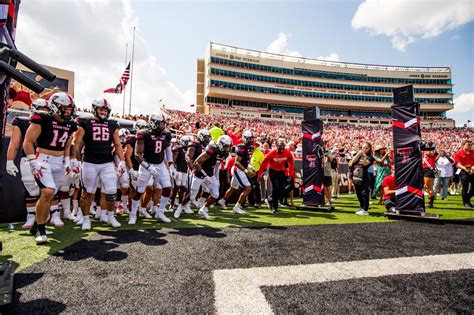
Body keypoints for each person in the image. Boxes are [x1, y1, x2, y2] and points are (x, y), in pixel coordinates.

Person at [23, 93, 78, 243]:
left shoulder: (71, 124)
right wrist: (32, 161)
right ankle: (41, 230)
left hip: (59, 161)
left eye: (69, 109)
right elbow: (28, 142)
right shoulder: (42, 118)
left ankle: (36, 224)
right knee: (47, 192)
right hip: (43, 160)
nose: (68, 112)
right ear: (54, 106)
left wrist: (68, 161)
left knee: (50, 195)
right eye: (64, 108)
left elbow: (68, 145)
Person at [72, 98, 126, 230]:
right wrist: (75, 159)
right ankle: (85, 219)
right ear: (94, 109)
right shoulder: (85, 122)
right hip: (90, 162)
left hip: (107, 163)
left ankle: (110, 216)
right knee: (88, 192)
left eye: (105, 110)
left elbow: (118, 144)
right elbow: (76, 142)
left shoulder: (112, 124)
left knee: (112, 190)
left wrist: (122, 161)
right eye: (101, 109)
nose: (103, 112)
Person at [6, 99, 49, 229]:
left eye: (45, 110)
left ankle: (45, 217)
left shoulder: (51, 122)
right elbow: (14, 143)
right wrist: (9, 161)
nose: (42, 112)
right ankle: (31, 216)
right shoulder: (23, 122)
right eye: (40, 109)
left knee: (47, 189)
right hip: (28, 159)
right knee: (30, 189)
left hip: (46, 158)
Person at [130, 113, 175, 223]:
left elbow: (168, 149)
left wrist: (171, 164)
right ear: (153, 123)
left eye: (163, 124)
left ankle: (160, 212)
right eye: (160, 124)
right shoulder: (143, 134)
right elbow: (137, 154)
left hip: (160, 164)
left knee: (168, 187)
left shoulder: (166, 134)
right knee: (140, 190)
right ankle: (133, 213)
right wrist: (148, 167)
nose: (163, 126)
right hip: (146, 164)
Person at [194, 135, 233, 219]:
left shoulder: (224, 154)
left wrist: (216, 177)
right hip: (199, 172)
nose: (228, 149)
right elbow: (196, 162)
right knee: (191, 194)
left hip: (210, 174)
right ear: (221, 145)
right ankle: (181, 208)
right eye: (226, 147)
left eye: (229, 147)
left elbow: (216, 166)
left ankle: (203, 209)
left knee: (215, 194)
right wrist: (204, 175)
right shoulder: (212, 149)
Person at [220, 130, 255, 215]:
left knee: (233, 188)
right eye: (250, 138)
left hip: (241, 169)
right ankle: (237, 207)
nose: (252, 140)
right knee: (248, 188)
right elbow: (236, 162)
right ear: (245, 139)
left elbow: (247, 161)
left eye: (252, 138)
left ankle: (222, 200)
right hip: (237, 169)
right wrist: (246, 171)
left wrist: (251, 167)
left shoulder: (251, 148)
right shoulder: (241, 147)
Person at [257, 138, 295, 214]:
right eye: (280, 146)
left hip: (281, 170)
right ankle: (274, 207)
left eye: (283, 146)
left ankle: (270, 200)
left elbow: (291, 163)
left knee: (282, 188)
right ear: (276, 146)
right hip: (272, 170)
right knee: (275, 187)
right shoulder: (271, 153)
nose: (281, 148)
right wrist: (259, 175)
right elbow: (263, 164)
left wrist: (290, 174)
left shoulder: (287, 153)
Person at [349, 142, 375, 215]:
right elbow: (351, 162)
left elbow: (364, 164)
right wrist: (358, 154)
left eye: (366, 148)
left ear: (369, 149)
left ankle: (365, 209)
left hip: (364, 176)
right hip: (356, 175)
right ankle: (361, 206)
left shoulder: (370, 157)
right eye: (363, 147)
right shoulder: (357, 155)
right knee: (358, 192)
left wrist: (364, 156)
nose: (364, 149)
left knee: (364, 192)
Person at [454, 139, 473, 208]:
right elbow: (458, 164)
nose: (470, 146)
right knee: (465, 187)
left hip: (472, 170)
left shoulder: (473, 152)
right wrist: (465, 168)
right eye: (468, 145)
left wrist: (473, 168)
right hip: (463, 171)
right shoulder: (458, 154)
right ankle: (466, 203)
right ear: (463, 145)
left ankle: (467, 199)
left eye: (471, 145)